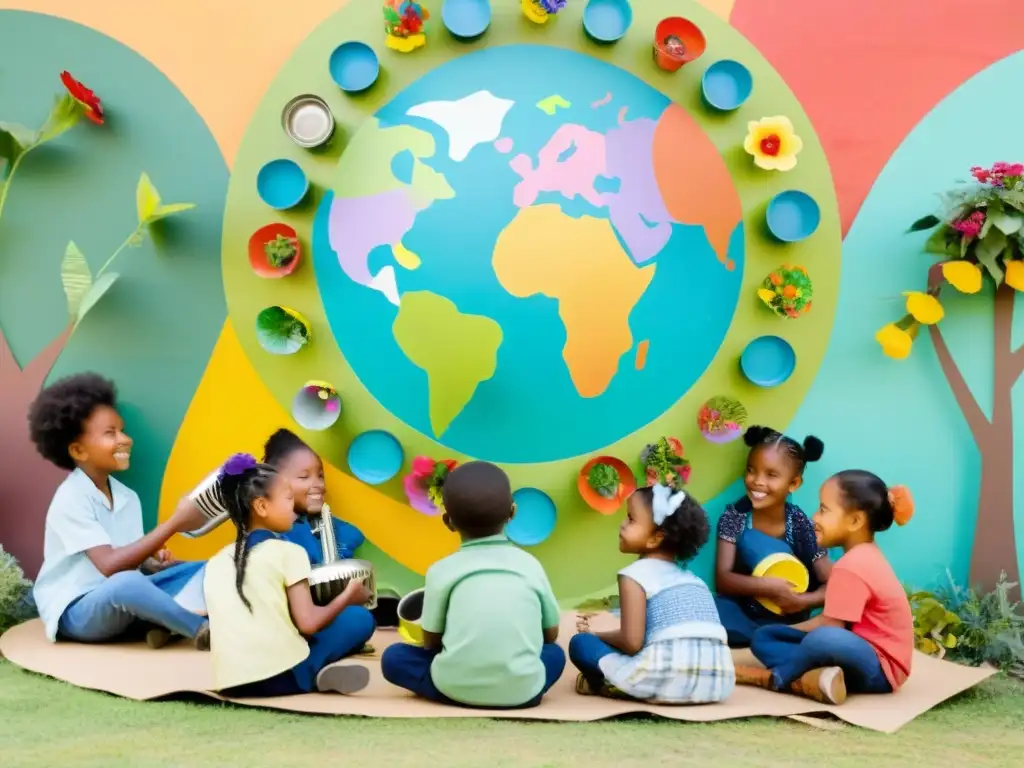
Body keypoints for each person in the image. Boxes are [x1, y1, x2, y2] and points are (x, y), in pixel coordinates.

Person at [29, 373, 210, 649]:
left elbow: (128, 562)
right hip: (78, 611)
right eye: (110, 433)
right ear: (78, 450)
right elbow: (110, 566)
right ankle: (200, 629)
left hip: (122, 600)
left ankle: (162, 624)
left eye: (122, 430)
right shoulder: (71, 497)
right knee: (126, 584)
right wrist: (175, 523)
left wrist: (151, 563)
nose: (125, 439)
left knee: (208, 570)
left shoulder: (127, 497)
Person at [380, 461, 566, 708]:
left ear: (448, 522)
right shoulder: (530, 565)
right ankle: (511, 685)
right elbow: (551, 634)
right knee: (555, 654)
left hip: (452, 688)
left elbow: (431, 642)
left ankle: (458, 687)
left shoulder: (441, 571)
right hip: (523, 693)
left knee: (394, 658)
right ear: (513, 512)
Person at [203, 453, 376, 697]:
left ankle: (316, 673)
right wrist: (349, 595)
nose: (293, 505)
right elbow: (308, 623)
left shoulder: (216, 561)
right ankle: (312, 674)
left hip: (230, 683)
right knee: (357, 618)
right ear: (262, 506)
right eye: (287, 498)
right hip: (280, 678)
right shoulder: (289, 552)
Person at [736, 470, 915, 705]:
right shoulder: (863, 555)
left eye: (824, 510)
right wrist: (784, 632)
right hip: (855, 652)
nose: (815, 517)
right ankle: (821, 678)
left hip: (881, 668)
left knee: (822, 639)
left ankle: (781, 676)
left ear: (855, 521)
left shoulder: (852, 565)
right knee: (765, 637)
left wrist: (796, 632)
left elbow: (831, 627)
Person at [569, 485, 734, 704]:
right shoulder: (696, 582)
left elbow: (631, 642)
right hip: (718, 684)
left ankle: (606, 684)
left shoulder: (634, 575)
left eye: (630, 519)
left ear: (655, 538)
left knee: (581, 644)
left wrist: (596, 635)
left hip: (663, 681)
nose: (622, 524)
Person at [714, 425, 832, 647]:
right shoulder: (735, 516)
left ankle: (770, 645)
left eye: (771, 474)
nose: (757, 481)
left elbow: (833, 584)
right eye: (751, 470)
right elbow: (723, 579)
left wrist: (802, 600)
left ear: (794, 483)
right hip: (743, 615)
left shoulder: (800, 524)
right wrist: (767, 586)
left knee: (823, 633)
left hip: (788, 620)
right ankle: (761, 646)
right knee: (713, 608)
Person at [263, 428, 365, 562]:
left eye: (320, 476)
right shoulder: (270, 539)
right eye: (304, 477)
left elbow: (353, 538)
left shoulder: (333, 528)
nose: (319, 484)